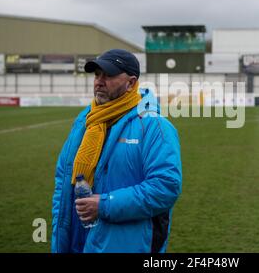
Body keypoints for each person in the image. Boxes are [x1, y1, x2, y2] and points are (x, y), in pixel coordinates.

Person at [51, 49, 182, 253]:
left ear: (130, 83)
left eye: (108, 75)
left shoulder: (154, 126)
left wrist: (104, 205)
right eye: (96, 75)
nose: (99, 81)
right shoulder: (85, 123)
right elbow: (62, 180)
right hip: (75, 241)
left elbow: (165, 187)